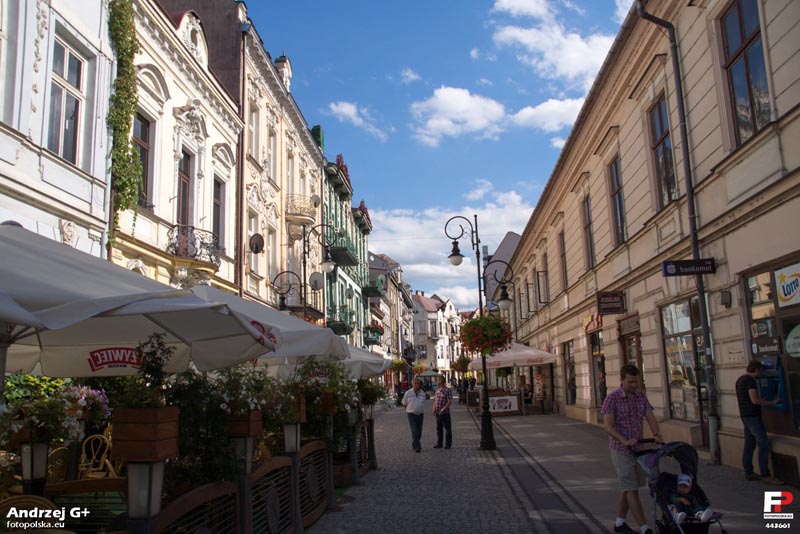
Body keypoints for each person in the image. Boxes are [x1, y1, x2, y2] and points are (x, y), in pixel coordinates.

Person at [602, 364, 663, 534]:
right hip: (620, 449)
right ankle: (644, 527)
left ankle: (620, 523)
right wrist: (624, 440)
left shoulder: (640, 396)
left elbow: (650, 416)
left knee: (628, 485)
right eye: (630, 382)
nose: (634, 385)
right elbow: (608, 426)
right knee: (631, 487)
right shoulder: (612, 398)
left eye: (636, 382)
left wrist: (657, 434)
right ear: (621, 380)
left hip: (639, 448)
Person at [735, 360, 784, 484]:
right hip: (752, 415)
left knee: (749, 444)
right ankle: (765, 474)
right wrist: (772, 402)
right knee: (763, 443)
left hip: (745, 415)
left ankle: (749, 472)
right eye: (761, 371)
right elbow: (754, 400)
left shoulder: (740, 380)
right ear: (756, 370)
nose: (762, 374)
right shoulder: (750, 381)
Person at [402, 378, 426, 452]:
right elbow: (404, 403)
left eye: (417, 383)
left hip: (420, 414)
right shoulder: (408, 393)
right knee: (414, 431)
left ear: (420, 384)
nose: (416, 384)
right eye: (415, 383)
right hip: (411, 414)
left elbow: (423, 402)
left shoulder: (422, 393)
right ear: (412, 384)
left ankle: (414, 443)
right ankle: (417, 447)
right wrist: (408, 410)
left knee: (419, 432)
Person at [433, 375, 453, 449]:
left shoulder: (447, 390)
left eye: (437, 380)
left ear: (441, 381)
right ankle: (439, 443)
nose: (436, 381)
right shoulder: (437, 390)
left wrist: (443, 409)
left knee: (447, 429)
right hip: (438, 413)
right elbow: (435, 400)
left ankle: (448, 444)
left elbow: (449, 401)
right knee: (439, 429)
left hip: (445, 413)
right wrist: (434, 409)